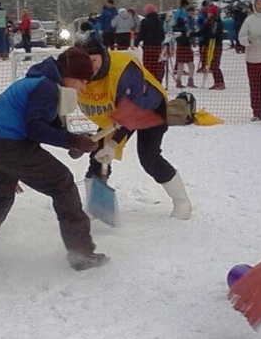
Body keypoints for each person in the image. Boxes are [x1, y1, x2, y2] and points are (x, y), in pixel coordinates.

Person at [0, 48, 105, 270]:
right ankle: (81, 253)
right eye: (82, 81)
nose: (82, 88)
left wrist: (73, 141)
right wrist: (71, 141)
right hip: (7, 144)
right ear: (69, 73)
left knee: (0, 195)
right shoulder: (47, 87)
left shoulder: (40, 81)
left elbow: (45, 124)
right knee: (62, 183)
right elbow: (35, 128)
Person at [77, 37, 193, 219]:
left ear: (103, 56)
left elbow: (133, 111)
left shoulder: (125, 71)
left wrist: (113, 143)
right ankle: (96, 204)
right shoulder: (77, 75)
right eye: (85, 62)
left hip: (149, 109)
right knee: (99, 155)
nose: (90, 67)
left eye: (94, 61)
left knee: (149, 157)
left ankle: (182, 201)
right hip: (116, 114)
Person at [136, 4, 166, 84]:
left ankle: (148, 82)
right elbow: (162, 35)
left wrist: (135, 42)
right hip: (158, 48)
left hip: (148, 47)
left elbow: (141, 34)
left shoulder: (145, 21)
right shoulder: (159, 21)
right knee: (157, 65)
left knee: (148, 66)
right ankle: (158, 82)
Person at [201, 4, 226, 90]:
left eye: (210, 13)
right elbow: (203, 32)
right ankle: (217, 82)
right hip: (209, 44)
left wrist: (214, 35)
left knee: (215, 64)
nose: (208, 14)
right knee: (211, 64)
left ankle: (220, 82)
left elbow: (219, 34)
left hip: (216, 45)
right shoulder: (208, 22)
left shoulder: (217, 23)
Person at [171, 1, 196, 88]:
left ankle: (178, 81)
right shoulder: (185, 28)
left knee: (180, 65)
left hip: (180, 47)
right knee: (191, 65)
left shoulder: (175, 28)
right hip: (186, 47)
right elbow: (189, 33)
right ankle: (190, 80)